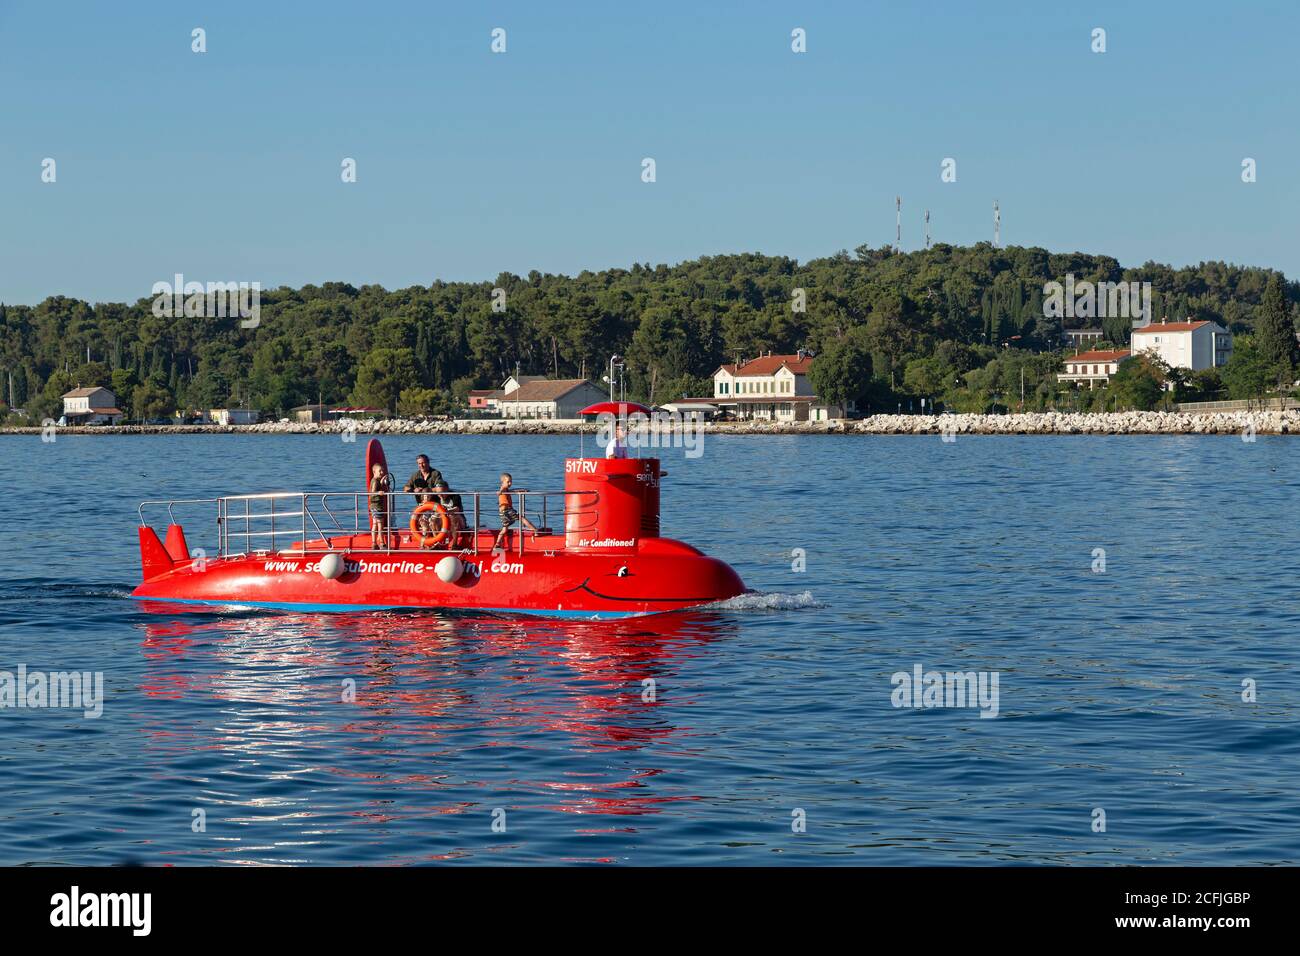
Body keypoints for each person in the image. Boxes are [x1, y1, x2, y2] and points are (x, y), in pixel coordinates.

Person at [494, 472, 538, 550]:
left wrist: (521, 490)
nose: (510, 483)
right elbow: (500, 491)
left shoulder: (507, 489)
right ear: (503, 482)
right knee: (521, 518)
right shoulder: (503, 488)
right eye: (508, 482)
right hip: (507, 510)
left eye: (511, 481)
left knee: (505, 529)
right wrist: (499, 492)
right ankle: (534, 529)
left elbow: (512, 491)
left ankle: (497, 543)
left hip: (503, 512)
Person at [403, 454, 443, 536]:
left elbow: (440, 488)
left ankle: (436, 542)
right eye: (419, 463)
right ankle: (424, 541)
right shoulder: (415, 475)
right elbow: (406, 488)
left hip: (435, 506)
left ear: (428, 462)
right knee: (420, 520)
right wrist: (413, 490)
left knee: (433, 521)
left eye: (423, 463)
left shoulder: (436, 473)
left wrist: (426, 491)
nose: (421, 465)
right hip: (421, 506)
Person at [368, 462, 394, 549]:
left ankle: (374, 542)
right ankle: (381, 543)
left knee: (375, 524)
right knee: (379, 524)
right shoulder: (375, 481)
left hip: (375, 506)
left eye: (382, 470)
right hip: (377, 506)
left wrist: (382, 483)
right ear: (374, 472)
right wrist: (378, 492)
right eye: (380, 471)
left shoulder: (377, 481)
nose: (382, 472)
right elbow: (372, 493)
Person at [432, 479, 466, 547]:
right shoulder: (436, 497)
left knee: (453, 517)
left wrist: (447, 511)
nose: (440, 495)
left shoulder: (455, 496)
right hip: (443, 520)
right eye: (438, 493)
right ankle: (438, 543)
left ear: (447, 490)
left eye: (442, 493)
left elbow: (457, 508)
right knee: (433, 520)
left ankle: (454, 544)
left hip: (458, 520)